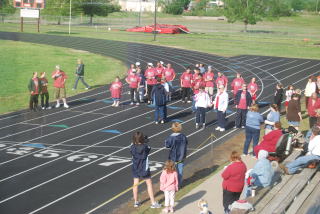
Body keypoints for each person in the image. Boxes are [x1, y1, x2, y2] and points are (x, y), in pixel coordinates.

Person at [130, 132, 161, 208]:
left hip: (135, 167)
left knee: (135, 184)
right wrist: (145, 141)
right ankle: (153, 203)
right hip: (144, 168)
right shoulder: (145, 147)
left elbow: (132, 147)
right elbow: (149, 148)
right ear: (142, 139)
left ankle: (136, 202)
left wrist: (137, 142)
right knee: (149, 184)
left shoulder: (132, 147)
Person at [165, 122, 188, 187]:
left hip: (173, 156)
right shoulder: (183, 136)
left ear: (172, 128)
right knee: (180, 170)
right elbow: (186, 142)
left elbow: (167, 145)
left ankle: (173, 183)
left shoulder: (171, 137)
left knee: (173, 171)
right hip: (181, 156)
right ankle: (179, 184)